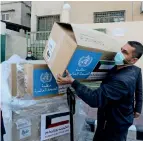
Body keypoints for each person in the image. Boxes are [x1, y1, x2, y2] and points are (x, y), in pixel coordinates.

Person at [57, 41, 143, 141]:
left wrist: (73, 82)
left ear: (133, 60)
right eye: (121, 49)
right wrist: (138, 109)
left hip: (112, 125)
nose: (119, 53)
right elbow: (139, 90)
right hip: (122, 117)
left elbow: (95, 99)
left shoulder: (121, 81)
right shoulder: (135, 70)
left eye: (125, 52)